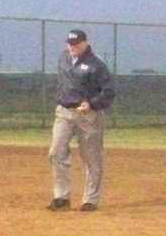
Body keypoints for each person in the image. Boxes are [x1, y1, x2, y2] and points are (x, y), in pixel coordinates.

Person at [48, 28, 116, 212]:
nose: (72, 47)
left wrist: (92, 104)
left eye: (76, 44)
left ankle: (90, 199)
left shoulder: (96, 64)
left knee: (91, 158)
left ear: (85, 43)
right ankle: (61, 197)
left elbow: (108, 91)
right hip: (65, 111)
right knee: (56, 151)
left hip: (88, 115)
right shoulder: (63, 57)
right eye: (70, 44)